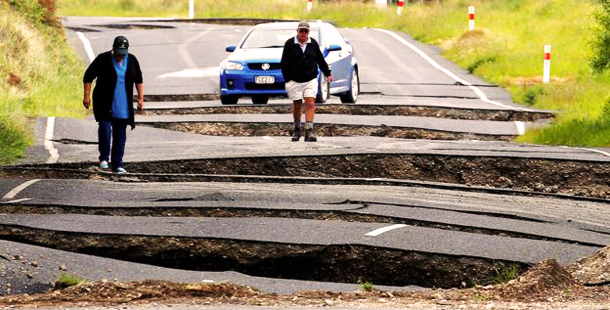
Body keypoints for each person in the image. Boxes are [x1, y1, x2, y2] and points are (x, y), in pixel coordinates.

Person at [83, 35, 144, 173]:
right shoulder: (103, 59)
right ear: (113, 50)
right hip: (104, 100)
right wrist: (86, 95)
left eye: (123, 54)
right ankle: (104, 158)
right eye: (118, 54)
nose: (120, 56)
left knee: (120, 133)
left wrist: (141, 98)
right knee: (105, 127)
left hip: (123, 102)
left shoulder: (132, 60)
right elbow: (88, 76)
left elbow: (139, 79)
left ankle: (117, 163)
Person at [281, 21, 333, 142]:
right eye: (301, 31)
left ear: (308, 33)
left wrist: (328, 73)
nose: (303, 34)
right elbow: (284, 63)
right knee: (297, 105)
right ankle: (297, 129)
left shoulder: (313, 43)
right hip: (294, 80)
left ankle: (309, 131)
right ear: (297, 31)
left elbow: (320, 60)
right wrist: (287, 79)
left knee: (310, 103)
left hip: (310, 79)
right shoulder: (289, 44)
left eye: (306, 31)